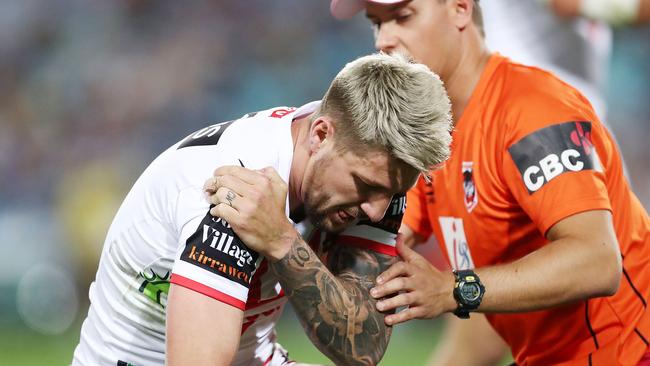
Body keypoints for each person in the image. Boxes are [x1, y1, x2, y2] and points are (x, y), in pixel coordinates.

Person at [71, 52, 453, 366]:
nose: (376, 211)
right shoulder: (233, 186)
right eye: (366, 186)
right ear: (320, 135)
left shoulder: (376, 173)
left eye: (394, 192)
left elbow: (362, 347)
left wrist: (284, 242)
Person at [329, 1, 650, 365]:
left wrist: (453, 289)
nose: (385, 40)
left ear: (461, 9)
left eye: (403, 17)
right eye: (376, 23)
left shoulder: (533, 111)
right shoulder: (429, 139)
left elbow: (598, 261)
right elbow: (377, 246)